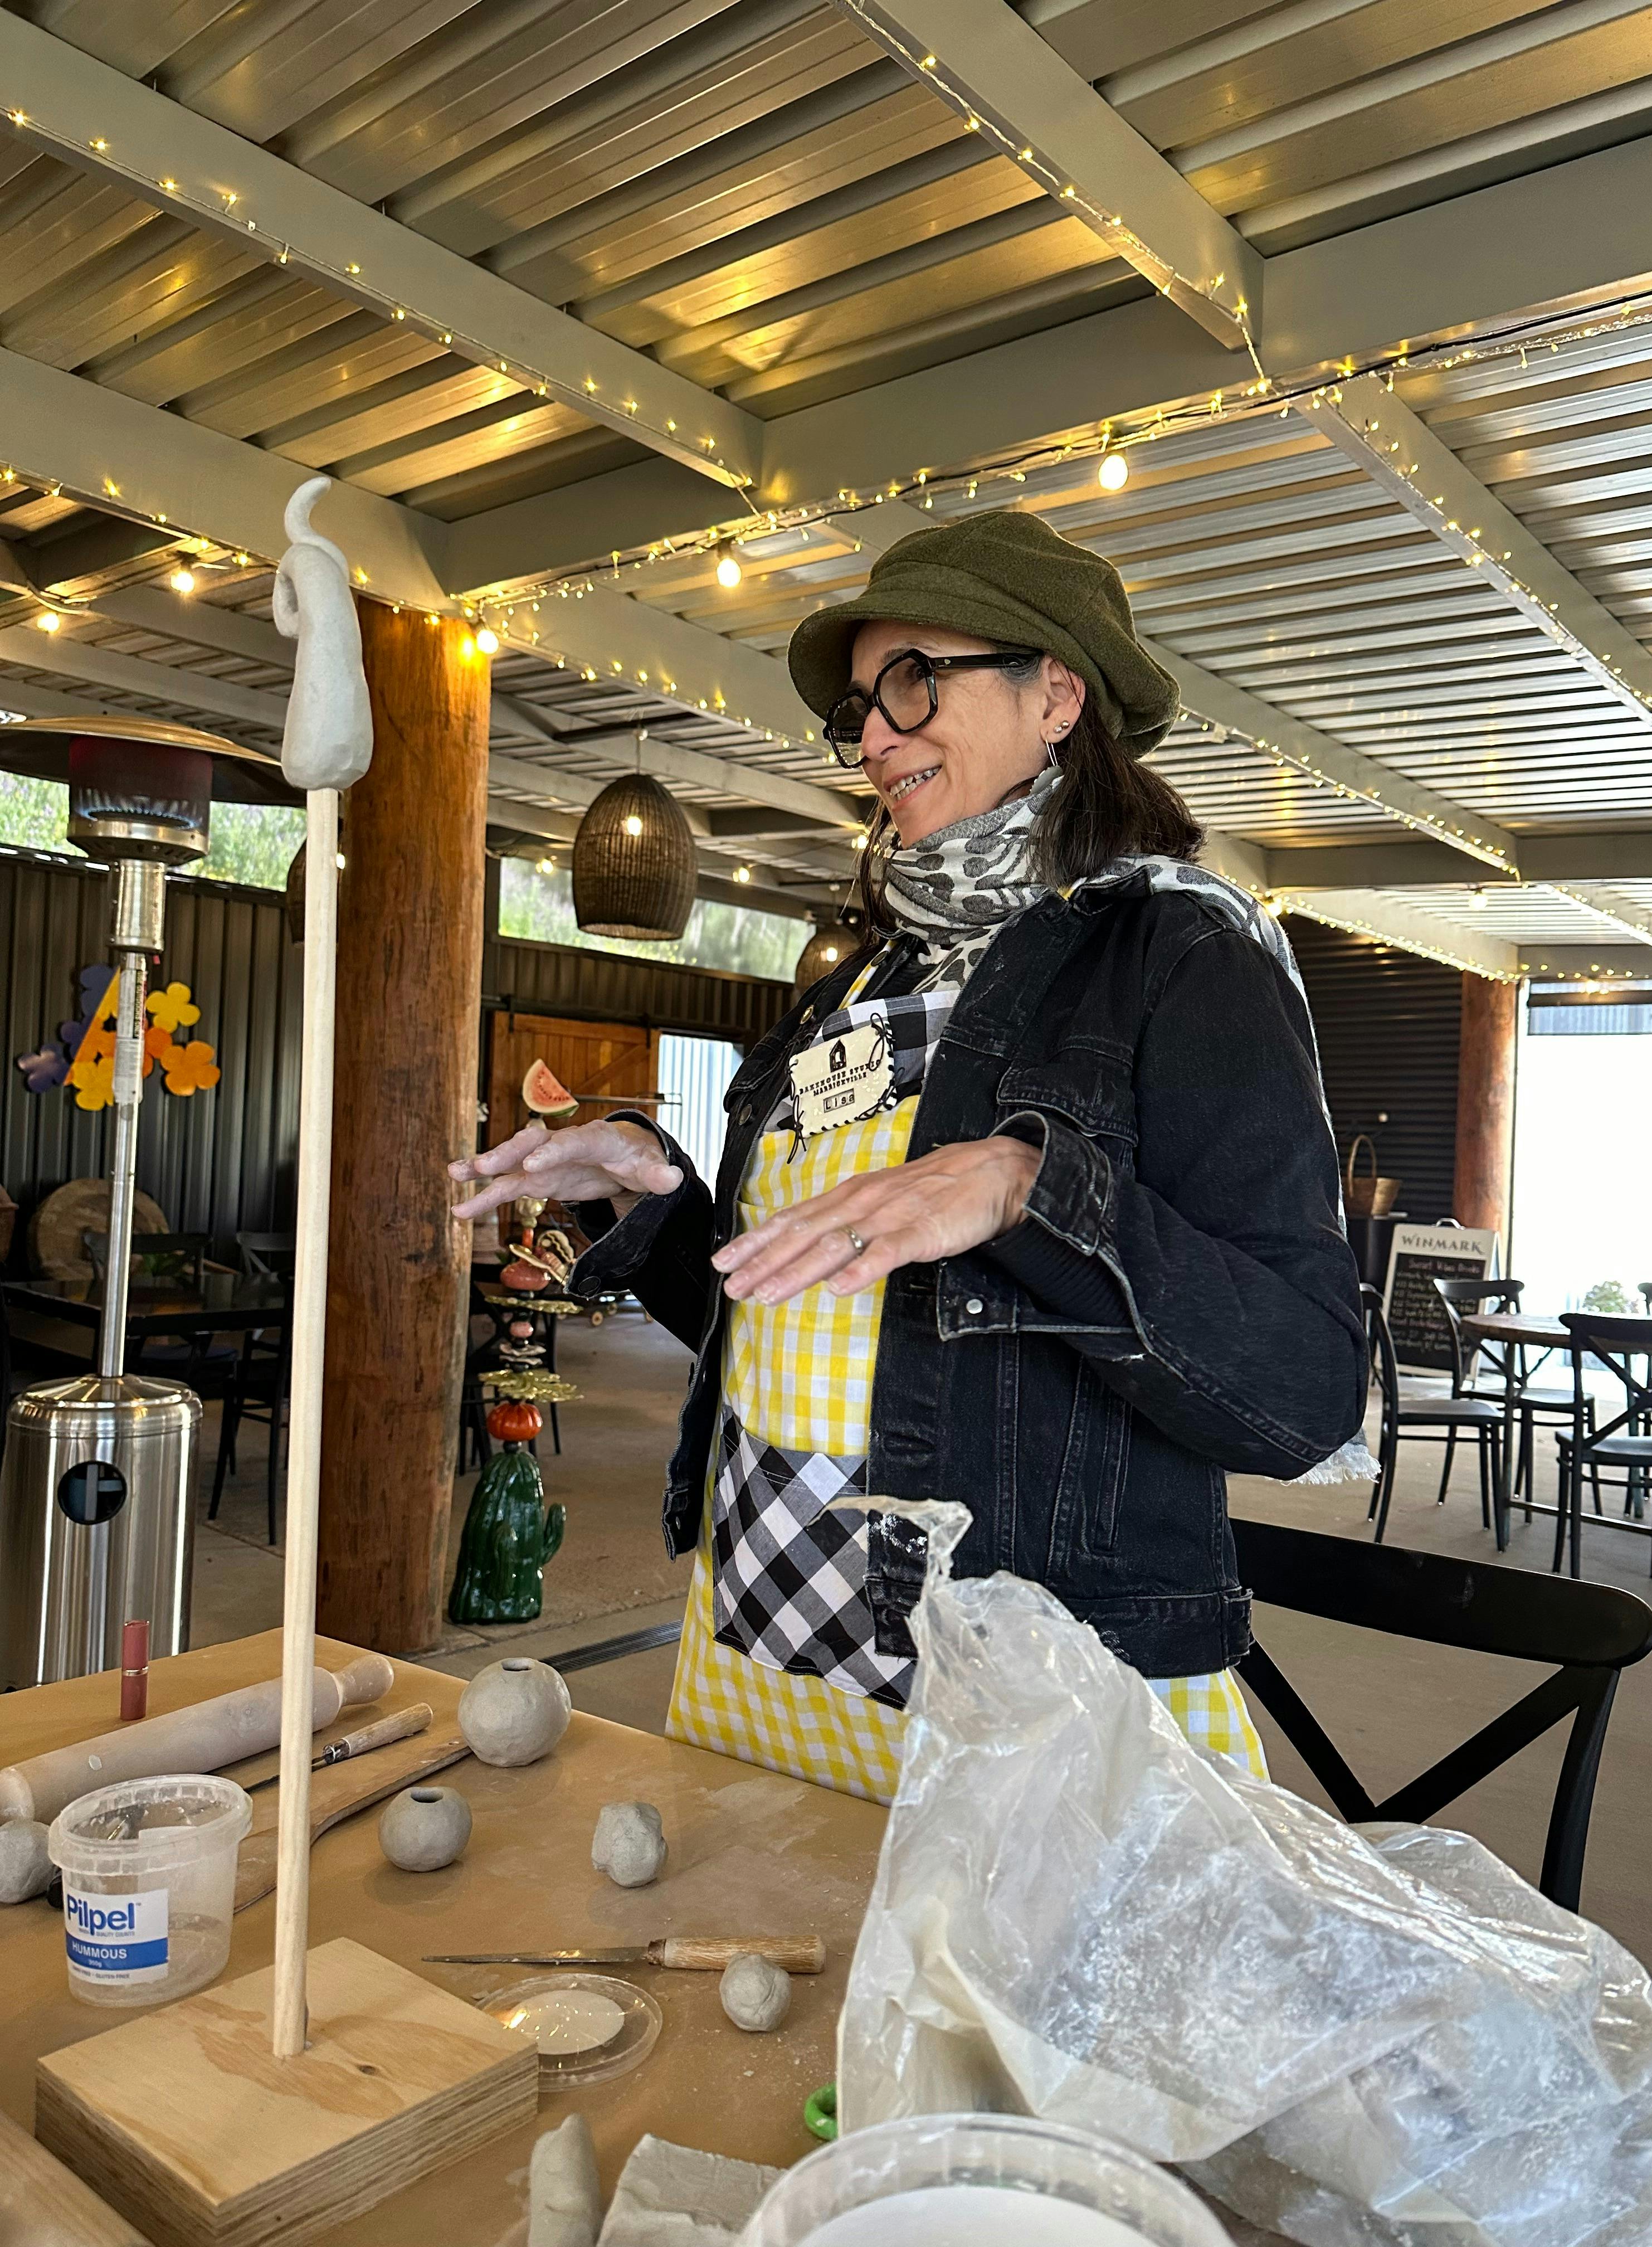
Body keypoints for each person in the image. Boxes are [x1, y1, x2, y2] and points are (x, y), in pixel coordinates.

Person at [451, 509, 1368, 1803]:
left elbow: (1304, 1384)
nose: (874, 733)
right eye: (860, 708)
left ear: (1057, 691)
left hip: (1015, 1687)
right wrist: (654, 1197)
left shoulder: (1182, 956)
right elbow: (795, 1313)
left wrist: (1026, 1187)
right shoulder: (869, 980)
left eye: (913, 679)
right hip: (761, 1647)